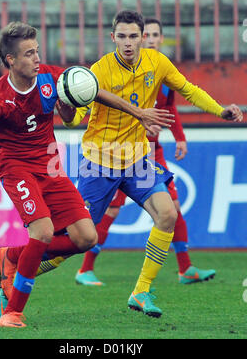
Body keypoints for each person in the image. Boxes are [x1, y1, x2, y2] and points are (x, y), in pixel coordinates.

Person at [0, 21, 175, 328]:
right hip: (16, 168)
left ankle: (11, 256)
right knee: (43, 231)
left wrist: (139, 113)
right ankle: (14, 312)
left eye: (37, 51)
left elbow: (96, 92)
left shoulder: (50, 76)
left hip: (49, 166)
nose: (37, 58)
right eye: (29, 53)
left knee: (86, 236)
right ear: (11, 60)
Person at [58, 10, 243, 318]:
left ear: (143, 38)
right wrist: (66, 110)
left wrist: (220, 110)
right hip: (99, 162)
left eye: (134, 36)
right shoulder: (99, 70)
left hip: (137, 159)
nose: (128, 43)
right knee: (77, 240)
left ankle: (141, 291)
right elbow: (74, 119)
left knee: (167, 214)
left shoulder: (157, 63)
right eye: (122, 36)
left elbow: (187, 89)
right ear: (112, 37)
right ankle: (19, 269)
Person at [75, 17, 217, 287]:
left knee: (170, 209)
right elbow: (87, 109)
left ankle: (181, 269)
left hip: (148, 151)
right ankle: (82, 268)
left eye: (150, 35)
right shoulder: (107, 69)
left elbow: (173, 107)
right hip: (110, 153)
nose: (144, 39)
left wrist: (180, 137)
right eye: (124, 36)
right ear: (114, 37)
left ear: (156, 39)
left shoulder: (162, 70)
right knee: (101, 219)